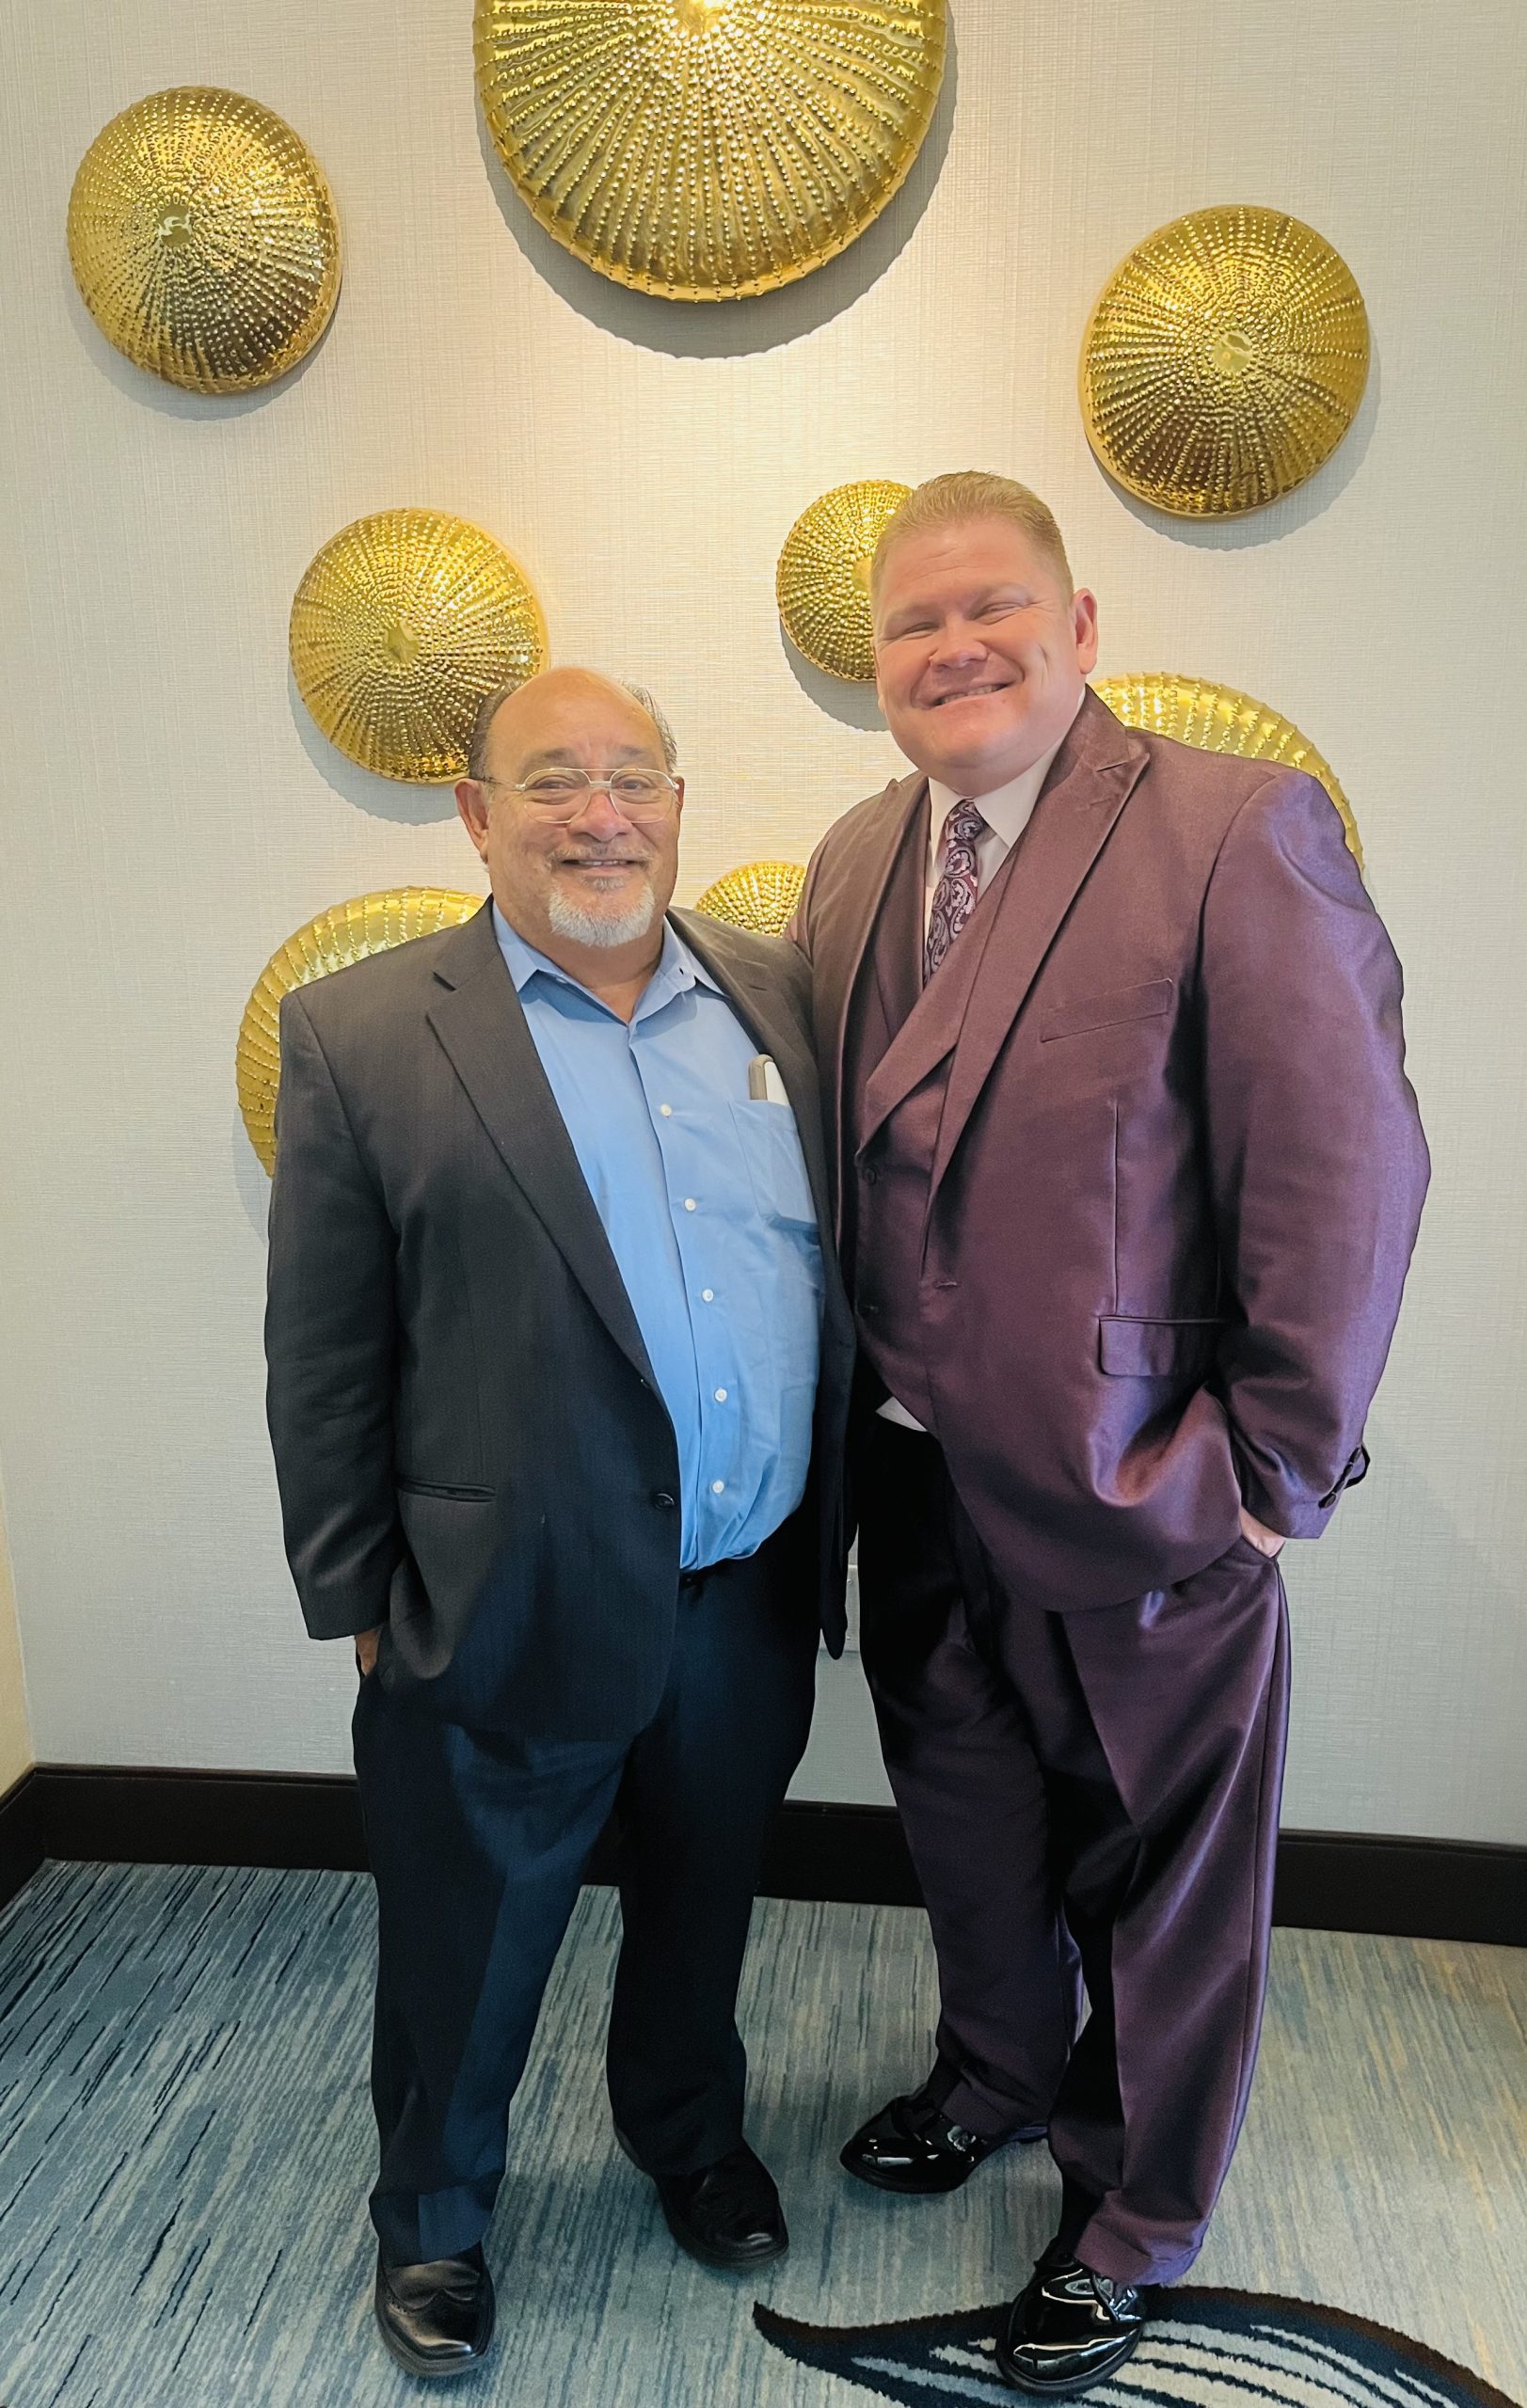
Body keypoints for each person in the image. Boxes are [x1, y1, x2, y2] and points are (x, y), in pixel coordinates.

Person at [791, 473, 1429, 2394]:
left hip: (1150, 1477)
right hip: (908, 1468)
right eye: (912, 623)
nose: (952, 646)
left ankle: (1131, 2214)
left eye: (991, 605)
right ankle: (993, 2068)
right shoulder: (849, 858)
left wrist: (1270, 1477)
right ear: (875, 664)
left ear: (1078, 628)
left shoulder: (1233, 826)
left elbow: (1342, 1167)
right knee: (965, 1814)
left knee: (1162, 1873)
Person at [265, 667, 853, 2381]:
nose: (601, 815)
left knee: (707, 1898)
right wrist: (357, 1594)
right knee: (468, 1933)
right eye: (551, 781)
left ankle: (687, 2130)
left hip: (743, 1589)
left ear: (676, 801)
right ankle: (435, 2215)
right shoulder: (366, 1031)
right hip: (496, 1591)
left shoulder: (782, 1000)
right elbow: (324, 1346)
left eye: (633, 777)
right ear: (475, 814)